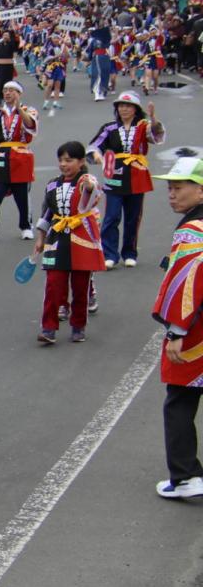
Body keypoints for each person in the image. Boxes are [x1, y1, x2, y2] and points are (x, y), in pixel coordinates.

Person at [149, 157, 203, 498]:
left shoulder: (191, 229)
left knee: (180, 399)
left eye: (179, 187)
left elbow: (187, 282)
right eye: (169, 188)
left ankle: (185, 477)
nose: (171, 194)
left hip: (197, 331)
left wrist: (176, 331)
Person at [32, 141, 106, 345]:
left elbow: (93, 190)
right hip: (57, 236)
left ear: (81, 162)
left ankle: (78, 325)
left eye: (69, 160)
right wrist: (40, 238)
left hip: (81, 236)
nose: (64, 164)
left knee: (81, 285)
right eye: (61, 160)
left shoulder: (85, 179)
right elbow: (47, 212)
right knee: (53, 284)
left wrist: (90, 187)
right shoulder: (52, 184)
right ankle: (48, 328)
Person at [87, 92, 166, 268]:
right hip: (115, 175)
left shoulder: (143, 126)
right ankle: (109, 254)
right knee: (112, 216)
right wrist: (97, 156)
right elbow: (94, 146)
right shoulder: (109, 128)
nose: (124, 109)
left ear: (136, 109)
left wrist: (153, 118)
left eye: (128, 106)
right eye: (120, 106)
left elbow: (156, 135)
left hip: (137, 175)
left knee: (133, 217)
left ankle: (130, 252)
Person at [0, 81, 39, 245]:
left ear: (19, 93)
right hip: (1, 156)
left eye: (11, 90)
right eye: (5, 90)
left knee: (22, 196)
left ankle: (26, 226)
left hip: (21, 157)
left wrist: (20, 110)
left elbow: (31, 126)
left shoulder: (29, 110)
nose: (7, 93)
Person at [0, 30, 18, 107]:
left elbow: (15, 45)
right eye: (4, 35)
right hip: (0, 66)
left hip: (9, 66)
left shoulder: (12, 44)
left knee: (8, 83)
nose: (5, 36)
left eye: (7, 35)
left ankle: (9, 99)